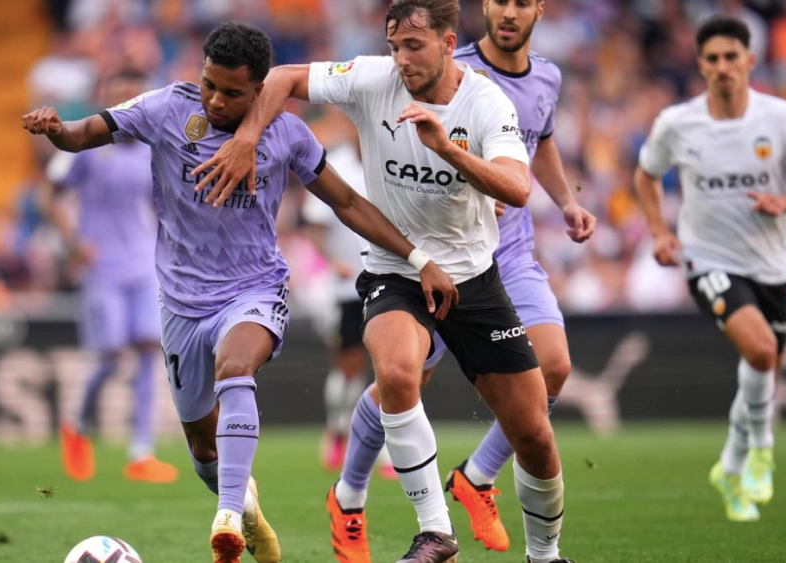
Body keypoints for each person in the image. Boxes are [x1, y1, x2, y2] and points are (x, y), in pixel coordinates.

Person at [23, 22, 457, 563]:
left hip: (253, 289)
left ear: (260, 90)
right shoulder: (166, 108)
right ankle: (244, 507)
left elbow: (346, 202)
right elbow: (88, 131)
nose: (215, 99)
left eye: (232, 92)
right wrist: (55, 128)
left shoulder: (287, 135)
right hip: (181, 300)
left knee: (236, 366)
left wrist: (418, 258)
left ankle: (228, 514)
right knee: (204, 451)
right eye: (209, 84)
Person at [196, 2, 574, 562]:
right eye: (394, 45)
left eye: (413, 47)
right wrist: (249, 137)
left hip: (473, 279)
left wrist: (447, 147)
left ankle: (544, 556)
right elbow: (282, 77)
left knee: (534, 435)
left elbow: (518, 189)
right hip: (397, 270)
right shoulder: (375, 78)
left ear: (449, 44)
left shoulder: (486, 101)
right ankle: (435, 532)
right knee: (396, 372)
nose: (400, 59)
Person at [311, 0, 596, 554]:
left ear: (539, 9)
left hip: (501, 258)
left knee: (549, 381)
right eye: (500, 2)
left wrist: (566, 201)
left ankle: (481, 480)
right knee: (399, 376)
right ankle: (354, 498)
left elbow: (539, 146)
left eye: (521, 3)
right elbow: (367, 113)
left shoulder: (544, 78)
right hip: (418, 261)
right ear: (483, 9)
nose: (509, 13)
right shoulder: (434, 63)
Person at [634, 15, 786, 523]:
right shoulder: (678, 123)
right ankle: (762, 451)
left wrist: (784, 204)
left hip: (772, 264)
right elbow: (645, 174)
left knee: (760, 368)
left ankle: (730, 464)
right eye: (712, 59)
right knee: (762, 350)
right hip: (708, 260)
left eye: (731, 57)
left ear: (750, 61)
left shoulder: (782, 119)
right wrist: (659, 231)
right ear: (700, 65)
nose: (722, 67)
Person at [44, 70, 179, 484]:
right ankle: (76, 424)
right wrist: (72, 243)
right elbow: (48, 194)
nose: (125, 107)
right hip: (102, 266)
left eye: (131, 98)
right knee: (111, 356)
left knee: (145, 352)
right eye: (118, 98)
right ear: (106, 100)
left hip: (142, 264)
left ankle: (140, 453)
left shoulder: (153, 150)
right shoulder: (87, 147)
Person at [301, 119, 395, 479]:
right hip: (348, 285)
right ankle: (337, 429)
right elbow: (315, 227)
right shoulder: (335, 163)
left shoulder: (392, 160)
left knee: (390, 367)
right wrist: (334, 262)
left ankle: (386, 450)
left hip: (389, 281)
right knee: (349, 366)